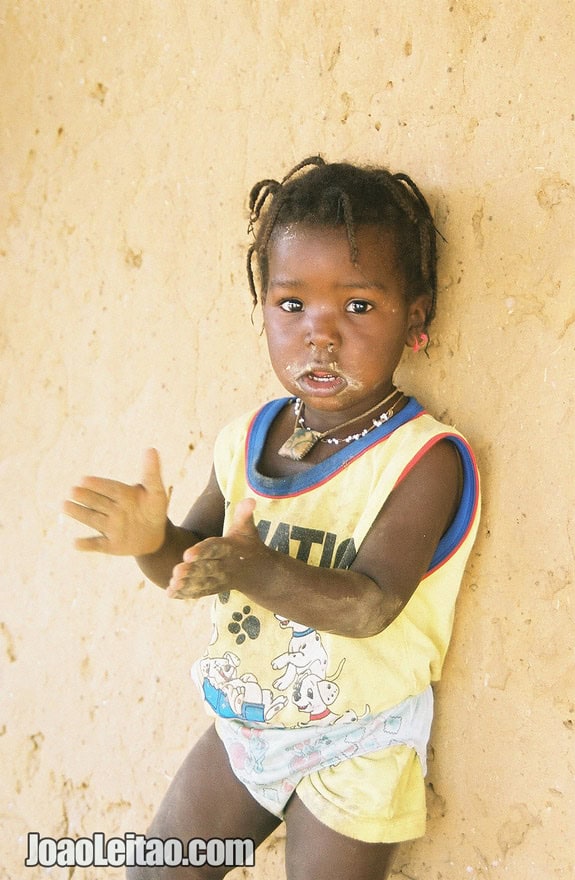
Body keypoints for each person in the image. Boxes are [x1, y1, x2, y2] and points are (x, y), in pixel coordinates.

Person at [63, 156, 480, 880]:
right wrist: (153, 543)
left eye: (356, 306)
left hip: (357, 738)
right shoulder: (249, 438)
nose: (319, 336)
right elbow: (197, 568)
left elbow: (372, 604)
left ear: (415, 316)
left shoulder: (423, 459)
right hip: (246, 723)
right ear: (261, 307)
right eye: (292, 305)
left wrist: (254, 567)